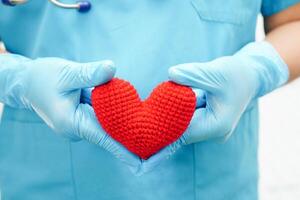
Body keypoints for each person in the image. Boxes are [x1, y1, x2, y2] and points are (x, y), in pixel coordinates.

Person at [0, 1, 300, 199]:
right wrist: (18, 79)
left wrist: (258, 70)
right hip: (42, 184)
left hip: (216, 187)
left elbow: (293, 21)